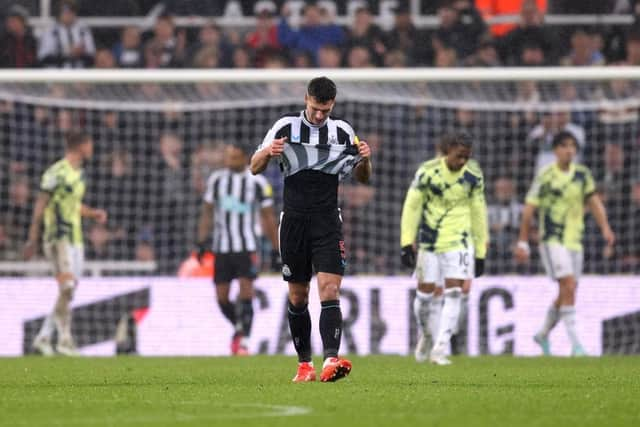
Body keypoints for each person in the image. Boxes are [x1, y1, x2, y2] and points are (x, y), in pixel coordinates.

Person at [250, 77, 371, 383]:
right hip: (293, 222)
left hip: (328, 220)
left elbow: (363, 177)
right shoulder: (285, 127)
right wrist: (267, 152)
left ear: (333, 105)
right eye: (316, 109)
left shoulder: (343, 132)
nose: (320, 116)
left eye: (326, 110)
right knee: (298, 296)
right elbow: (254, 167)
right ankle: (305, 365)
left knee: (330, 288)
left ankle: (331, 359)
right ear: (306, 99)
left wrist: (366, 160)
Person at [515, 131, 615, 356]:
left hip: (575, 241)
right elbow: (529, 208)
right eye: (564, 146)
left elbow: (594, 202)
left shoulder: (582, 175)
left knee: (568, 291)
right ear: (555, 151)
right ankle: (576, 344)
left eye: (572, 146)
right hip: (552, 240)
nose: (569, 150)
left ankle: (541, 334)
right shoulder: (546, 176)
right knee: (568, 285)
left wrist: (605, 227)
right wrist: (523, 241)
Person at [400, 132, 488, 365]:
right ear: (447, 151)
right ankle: (428, 336)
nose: (462, 162)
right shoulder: (427, 172)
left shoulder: (473, 175)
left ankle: (440, 348)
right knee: (425, 297)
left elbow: (479, 212)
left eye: (466, 157)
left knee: (455, 293)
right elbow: (412, 206)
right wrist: (406, 241)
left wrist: (480, 251)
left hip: (459, 242)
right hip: (429, 243)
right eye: (459, 156)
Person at [23, 130, 107, 356]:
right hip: (57, 237)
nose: (92, 149)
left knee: (68, 290)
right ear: (80, 146)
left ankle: (46, 336)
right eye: (90, 144)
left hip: (76, 239)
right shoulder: (56, 172)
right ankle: (63, 339)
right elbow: (41, 204)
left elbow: (74, 205)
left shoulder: (79, 174)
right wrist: (32, 238)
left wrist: (93, 214)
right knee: (68, 287)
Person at [196, 144, 279, 356]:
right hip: (222, 247)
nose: (229, 160)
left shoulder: (258, 181)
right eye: (228, 156)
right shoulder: (216, 181)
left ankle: (244, 343)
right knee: (221, 298)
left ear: (244, 157)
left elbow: (268, 217)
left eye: (234, 157)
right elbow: (207, 212)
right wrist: (200, 241)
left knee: (246, 292)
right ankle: (240, 328)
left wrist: (277, 248)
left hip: (247, 246)